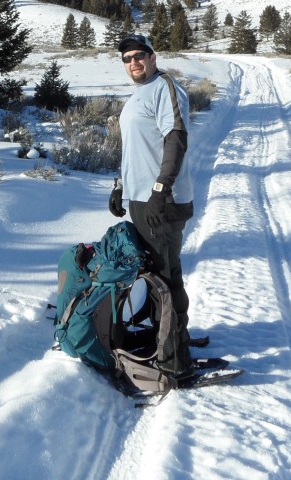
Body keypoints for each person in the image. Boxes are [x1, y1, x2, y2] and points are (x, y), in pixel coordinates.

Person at [108, 33, 196, 377]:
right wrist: (120, 186)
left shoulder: (165, 88)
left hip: (163, 201)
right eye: (127, 58)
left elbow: (176, 140)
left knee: (165, 277)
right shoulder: (138, 95)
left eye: (139, 55)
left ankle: (176, 360)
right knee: (158, 274)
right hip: (141, 198)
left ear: (153, 56)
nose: (133, 62)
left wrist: (161, 190)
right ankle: (171, 340)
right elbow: (136, 148)